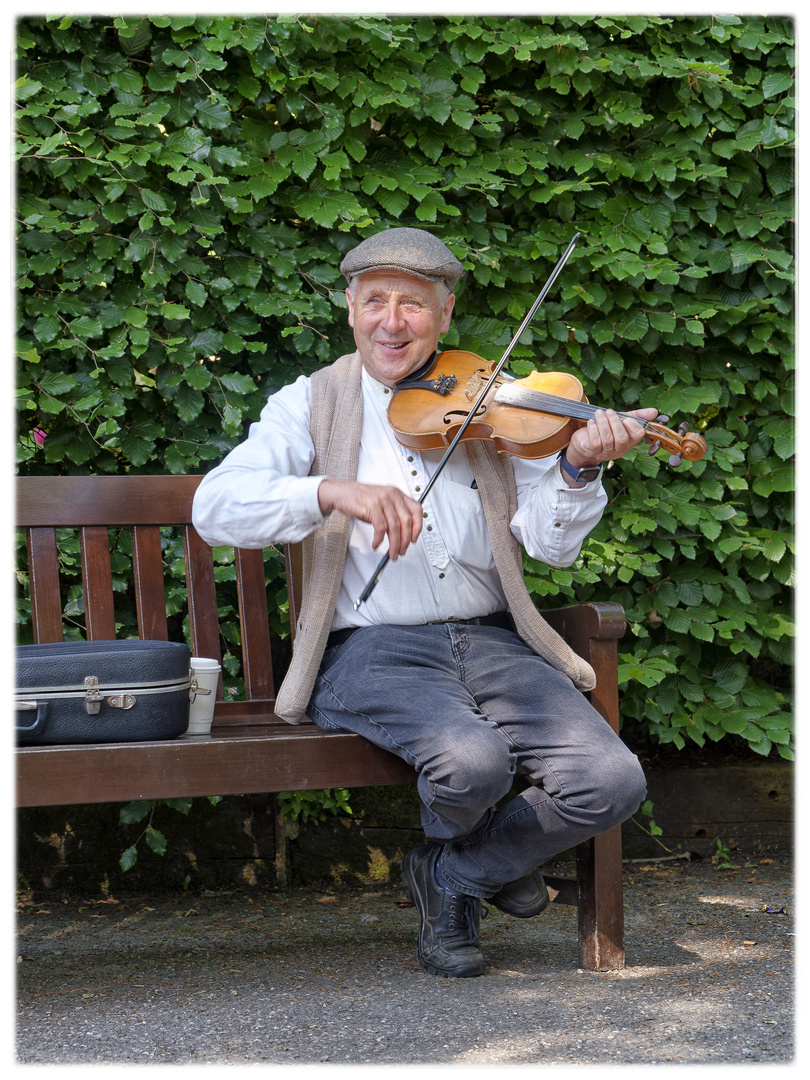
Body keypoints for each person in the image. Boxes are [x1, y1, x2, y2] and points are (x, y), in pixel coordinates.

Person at [192, 226, 650, 978]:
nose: (392, 321)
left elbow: (551, 546)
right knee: (471, 764)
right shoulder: (311, 402)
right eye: (376, 301)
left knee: (612, 781)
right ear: (350, 308)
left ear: (444, 315)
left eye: (413, 304)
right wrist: (330, 490)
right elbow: (217, 507)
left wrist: (575, 469)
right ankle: (482, 874)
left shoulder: (496, 406)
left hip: (493, 639)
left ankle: (453, 874)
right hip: (371, 650)